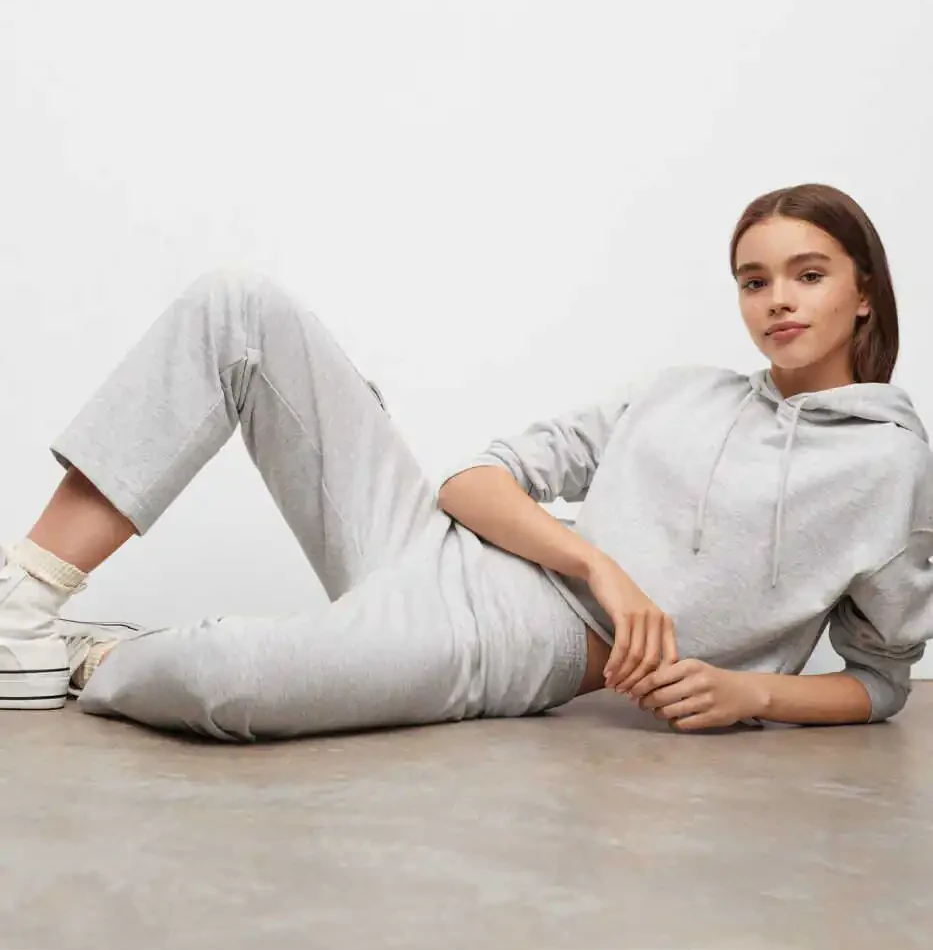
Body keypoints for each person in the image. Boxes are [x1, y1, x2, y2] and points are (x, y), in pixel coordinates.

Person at [2, 181, 931, 741]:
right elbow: (470, 483)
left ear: (862, 292)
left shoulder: (886, 470)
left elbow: (880, 681)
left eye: (808, 275)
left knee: (229, 684)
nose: (776, 301)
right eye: (753, 281)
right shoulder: (680, 392)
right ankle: (21, 606)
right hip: (434, 541)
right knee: (236, 304)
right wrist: (600, 567)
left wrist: (745, 691)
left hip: (510, 645)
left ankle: (91, 657)